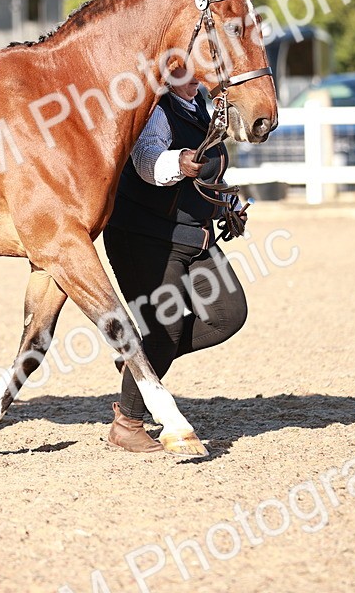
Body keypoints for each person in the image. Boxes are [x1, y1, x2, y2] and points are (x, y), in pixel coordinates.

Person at [103, 77, 249, 452]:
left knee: (228, 315)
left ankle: (140, 363)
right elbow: (146, 160)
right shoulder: (156, 109)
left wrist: (229, 205)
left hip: (194, 235)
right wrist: (179, 162)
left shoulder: (200, 105)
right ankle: (127, 423)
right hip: (145, 237)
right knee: (163, 328)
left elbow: (211, 170)